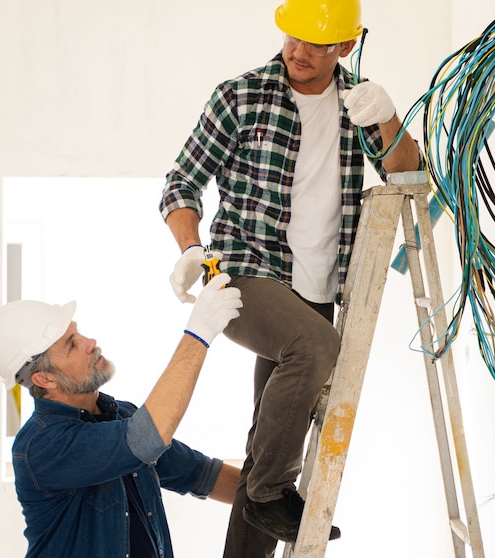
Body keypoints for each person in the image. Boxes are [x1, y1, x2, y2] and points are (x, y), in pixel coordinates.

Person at [159, 0, 423, 554]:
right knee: (313, 348)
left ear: (345, 47)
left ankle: (260, 500)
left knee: (269, 444)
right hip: (246, 273)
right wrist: (190, 248)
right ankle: (269, 490)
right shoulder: (241, 95)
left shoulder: (359, 103)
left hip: (321, 287)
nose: (300, 53)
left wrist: (388, 117)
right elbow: (182, 181)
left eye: (317, 44)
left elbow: (409, 174)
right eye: (293, 39)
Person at [0, 273, 243, 558]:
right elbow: (147, 438)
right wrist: (199, 333)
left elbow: (200, 474)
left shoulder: (121, 416)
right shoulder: (41, 446)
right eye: (71, 344)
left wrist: (273, 500)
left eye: (77, 332)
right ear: (45, 379)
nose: (89, 341)